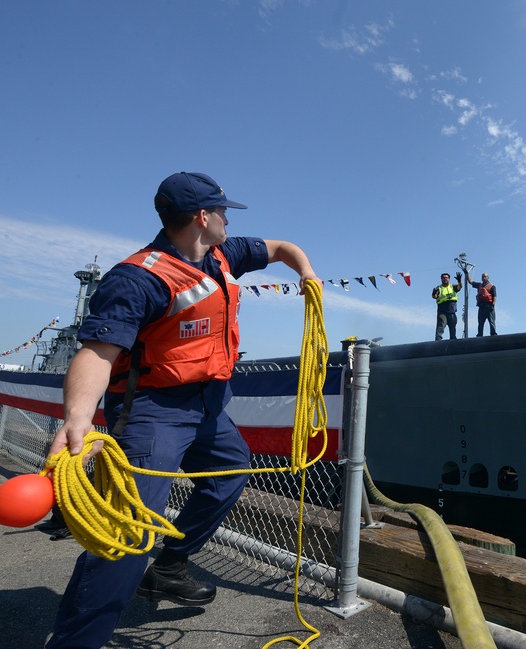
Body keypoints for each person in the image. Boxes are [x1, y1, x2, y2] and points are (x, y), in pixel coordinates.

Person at [45, 171, 322, 649]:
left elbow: (283, 248)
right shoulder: (137, 278)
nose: (228, 220)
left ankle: (170, 566)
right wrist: (77, 419)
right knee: (128, 534)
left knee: (230, 471)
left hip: (209, 404)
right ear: (202, 217)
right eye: (223, 211)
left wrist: (308, 275)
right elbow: (96, 353)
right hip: (154, 411)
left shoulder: (223, 254)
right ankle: (76, 641)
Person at [465, 270, 497, 336]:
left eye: (485, 276)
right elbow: (470, 282)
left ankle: (493, 334)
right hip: (481, 307)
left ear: (488, 277)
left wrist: (493, 305)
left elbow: (495, 296)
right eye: (483, 276)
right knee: (480, 322)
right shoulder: (479, 285)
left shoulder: (492, 286)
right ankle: (480, 334)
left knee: (491, 321)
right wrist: (467, 274)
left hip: (489, 306)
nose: (484, 278)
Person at [432, 271, 462, 340]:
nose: (445, 279)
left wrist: (459, 281)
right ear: (441, 279)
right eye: (443, 278)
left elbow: (459, 287)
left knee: (452, 326)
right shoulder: (438, 288)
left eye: (446, 278)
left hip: (451, 309)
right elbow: (434, 296)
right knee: (441, 324)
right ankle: (438, 340)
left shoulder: (452, 286)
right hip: (442, 309)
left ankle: (453, 339)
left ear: (449, 279)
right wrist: (434, 294)